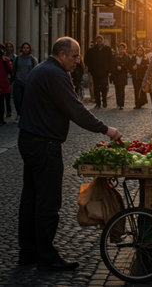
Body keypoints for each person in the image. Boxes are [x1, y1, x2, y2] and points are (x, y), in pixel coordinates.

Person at [18, 36, 122, 271]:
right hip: (45, 145)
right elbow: (76, 110)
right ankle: (46, 257)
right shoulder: (55, 75)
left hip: (29, 140)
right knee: (48, 202)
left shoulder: (41, 69)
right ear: (62, 54)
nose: (78, 61)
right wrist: (107, 129)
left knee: (30, 199)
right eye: (74, 56)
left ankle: (28, 252)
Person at [12, 42, 38, 124]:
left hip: (28, 83)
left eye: (27, 48)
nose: (25, 49)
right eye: (24, 48)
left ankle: (26, 116)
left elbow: (36, 72)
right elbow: (14, 69)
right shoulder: (17, 59)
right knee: (17, 100)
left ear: (29, 49)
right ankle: (19, 114)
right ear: (21, 49)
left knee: (26, 101)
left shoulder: (33, 59)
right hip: (18, 82)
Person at [85, 35, 113, 108]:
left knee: (104, 87)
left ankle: (104, 101)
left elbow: (111, 60)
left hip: (104, 72)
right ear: (96, 41)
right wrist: (91, 69)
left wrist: (109, 70)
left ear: (103, 40)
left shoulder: (107, 49)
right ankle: (98, 103)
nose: (99, 41)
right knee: (96, 88)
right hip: (95, 73)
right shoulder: (92, 50)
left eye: (100, 40)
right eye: (98, 40)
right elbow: (87, 60)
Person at [128, 45, 149, 109]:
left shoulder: (145, 58)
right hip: (135, 76)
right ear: (136, 51)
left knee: (142, 89)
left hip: (142, 76)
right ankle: (137, 103)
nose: (140, 52)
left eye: (141, 50)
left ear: (143, 51)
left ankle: (142, 101)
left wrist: (139, 67)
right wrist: (132, 68)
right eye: (138, 50)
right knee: (136, 90)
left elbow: (147, 67)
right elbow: (129, 65)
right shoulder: (134, 58)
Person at [111, 42, 129, 110]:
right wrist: (115, 68)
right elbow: (112, 65)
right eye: (119, 48)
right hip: (116, 75)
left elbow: (128, 66)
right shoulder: (115, 56)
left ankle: (121, 104)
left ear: (125, 49)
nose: (120, 49)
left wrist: (122, 67)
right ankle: (118, 103)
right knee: (117, 89)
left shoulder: (126, 57)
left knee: (121, 90)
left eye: (122, 48)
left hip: (123, 75)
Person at [0, 44, 13, 124]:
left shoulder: (6, 60)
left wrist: (4, 61)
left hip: (4, 84)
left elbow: (10, 70)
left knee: (3, 102)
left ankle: (1, 119)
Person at [4, 41, 16, 117]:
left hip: (12, 78)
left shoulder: (15, 57)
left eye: (10, 47)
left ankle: (9, 111)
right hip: (4, 77)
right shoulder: (3, 57)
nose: (9, 48)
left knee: (9, 96)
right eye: (8, 47)